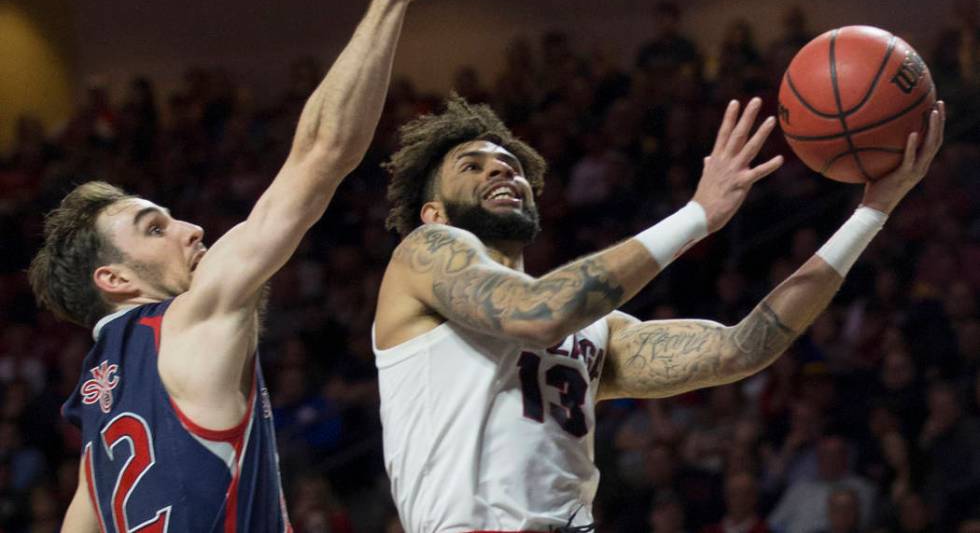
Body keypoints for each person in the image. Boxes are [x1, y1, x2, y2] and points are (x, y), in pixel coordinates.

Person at [27, 0, 498, 532]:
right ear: (114, 279)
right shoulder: (189, 321)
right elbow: (323, 153)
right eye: (155, 228)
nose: (192, 228)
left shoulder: (94, 402)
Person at [373, 95, 944, 532]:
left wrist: (872, 211)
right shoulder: (425, 253)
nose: (501, 171)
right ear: (434, 212)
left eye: (509, 165)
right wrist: (698, 215)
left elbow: (741, 348)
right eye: (472, 167)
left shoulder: (596, 329)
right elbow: (539, 312)